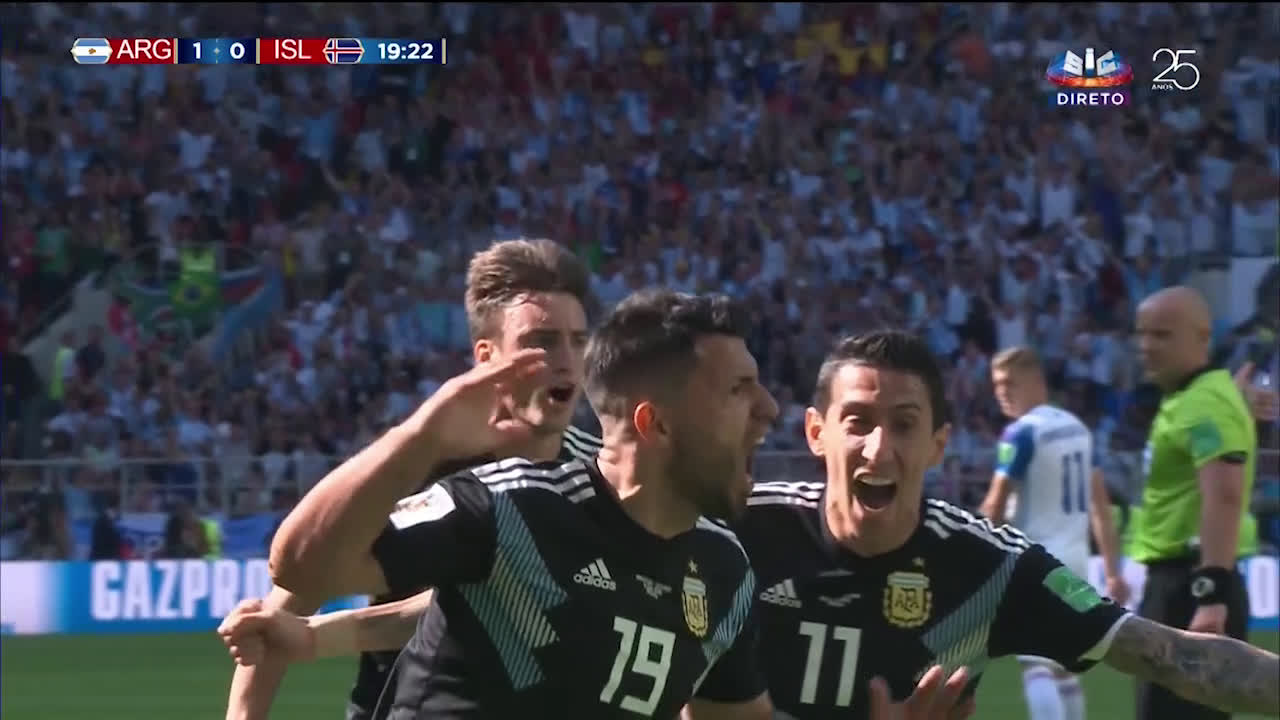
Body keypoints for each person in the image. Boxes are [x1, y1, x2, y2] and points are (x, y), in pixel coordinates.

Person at [222, 294, 978, 720]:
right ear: (656, 425)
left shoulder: (722, 572)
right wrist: (421, 437)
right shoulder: (512, 509)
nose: (769, 411)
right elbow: (302, 565)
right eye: (738, 391)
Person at [733, 330, 1277, 719]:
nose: (878, 450)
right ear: (816, 433)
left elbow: (1173, 656)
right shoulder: (744, 528)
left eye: (904, 425)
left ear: (938, 445)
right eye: (858, 422)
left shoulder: (993, 567)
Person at [226, 238, 603, 720]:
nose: (567, 360)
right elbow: (280, 612)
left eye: (578, 340)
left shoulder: (602, 474)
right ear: (487, 357)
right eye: (541, 341)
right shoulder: (416, 469)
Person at [1130, 286, 1262, 720]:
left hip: (1190, 586)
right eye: (1141, 333)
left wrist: (1211, 595)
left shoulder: (1203, 403)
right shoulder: (1193, 397)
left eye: (1162, 335)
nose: (1147, 345)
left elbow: (1224, 493)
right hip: (1180, 583)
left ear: (1202, 337)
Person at [978, 346, 1129, 720]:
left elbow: (995, 503)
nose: (1002, 392)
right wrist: (1113, 572)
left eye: (1010, 383)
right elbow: (1100, 508)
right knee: (1064, 667)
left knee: (1036, 665)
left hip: (1037, 561)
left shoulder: (1021, 433)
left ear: (1037, 382)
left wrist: (974, 555)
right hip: (1076, 562)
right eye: (997, 385)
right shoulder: (1078, 429)